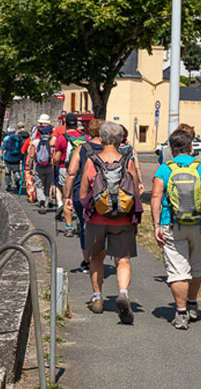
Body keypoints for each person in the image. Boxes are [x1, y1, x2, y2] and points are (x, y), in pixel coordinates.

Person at [151, 129, 201, 329]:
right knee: (196, 265)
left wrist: (156, 224)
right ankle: (192, 303)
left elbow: (156, 197)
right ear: (191, 147)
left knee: (177, 270)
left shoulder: (164, 169)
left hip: (172, 223)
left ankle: (181, 313)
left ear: (171, 149)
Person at [78, 122, 142, 324]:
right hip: (122, 219)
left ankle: (97, 298)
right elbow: (135, 192)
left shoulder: (92, 161)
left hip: (97, 218)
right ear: (120, 139)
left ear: (102, 139)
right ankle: (123, 293)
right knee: (123, 259)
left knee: (96, 257)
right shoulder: (127, 161)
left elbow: (83, 194)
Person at [65, 119, 104, 274]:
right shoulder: (110, 149)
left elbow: (71, 173)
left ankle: (87, 261)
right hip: (105, 193)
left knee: (84, 226)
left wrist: (67, 195)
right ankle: (99, 255)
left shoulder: (82, 148)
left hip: (82, 193)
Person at [27, 115, 56, 214]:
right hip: (50, 166)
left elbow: (31, 155)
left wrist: (29, 166)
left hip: (38, 166)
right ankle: (47, 203)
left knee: (39, 185)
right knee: (48, 185)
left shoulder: (35, 142)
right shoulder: (52, 142)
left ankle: (41, 199)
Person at [1, 126, 24, 192]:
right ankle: (17, 182)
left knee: (7, 173)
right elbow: (22, 146)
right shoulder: (19, 138)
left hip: (8, 158)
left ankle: (9, 185)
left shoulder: (6, 138)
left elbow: (3, 148)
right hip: (17, 158)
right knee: (16, 171)